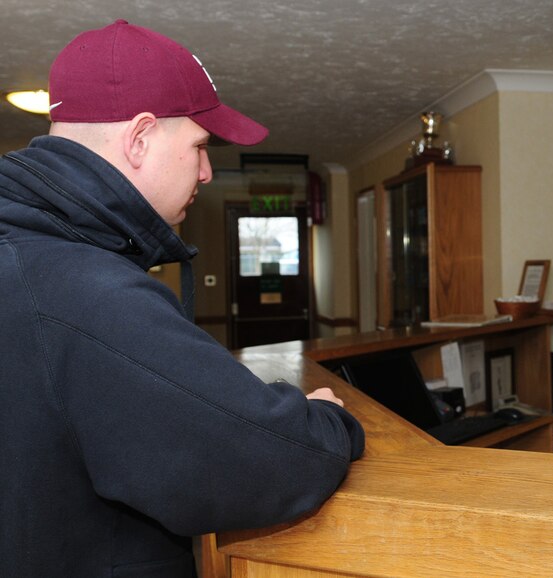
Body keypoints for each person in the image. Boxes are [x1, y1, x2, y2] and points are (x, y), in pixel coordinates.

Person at [0, 20, 364, 577]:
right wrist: (329, 419)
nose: (207, 171)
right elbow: (270, 460)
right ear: (140, 137)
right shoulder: (85, 289)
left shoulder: (27, 252)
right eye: (199, 146)